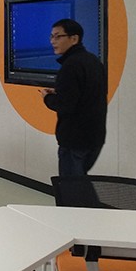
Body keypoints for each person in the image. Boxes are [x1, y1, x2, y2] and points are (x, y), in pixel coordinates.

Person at [39, 19, 107, 176]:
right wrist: (61, 91)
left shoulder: (70, 65)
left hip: (75, 139)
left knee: (71, 187)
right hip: (95, 137)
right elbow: (87, 94)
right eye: (51, 36)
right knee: (79, 184)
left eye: (58, 36)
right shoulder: (93, 61)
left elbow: (65, 105)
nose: (53, 41)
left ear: (74, 38)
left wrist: (47, 98)